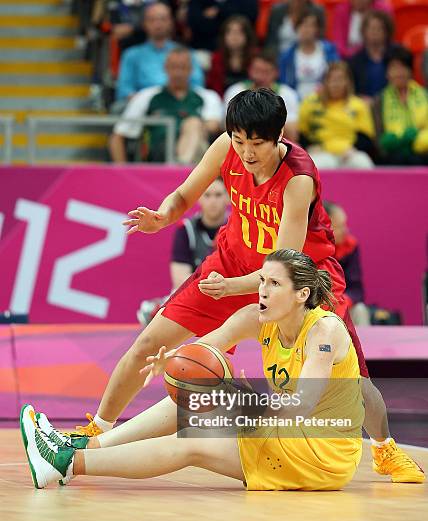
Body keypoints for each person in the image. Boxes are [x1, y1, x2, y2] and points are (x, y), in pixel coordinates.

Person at [70, 87, 422, 484]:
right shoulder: (226, 147)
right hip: (231, 263)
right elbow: (186, 194)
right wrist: (163, 216)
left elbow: (283, 266)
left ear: (278, 136)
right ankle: (95, 432)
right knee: (150, 344)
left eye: (257, 144)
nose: (247, 152)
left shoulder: (298, 179)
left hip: (301, 277)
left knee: (356, 378)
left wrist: (232, 288)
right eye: (240, 141)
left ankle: (385, 451)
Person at [21, 249, 368, 491]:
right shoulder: (255, 318)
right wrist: (172, 358)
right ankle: (85, 445)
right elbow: (205, 348)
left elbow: (303, 406)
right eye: (262, 280)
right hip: (285, 432)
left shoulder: (324, 331)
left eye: (274, 284)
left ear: (301, 294)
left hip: (323, 452)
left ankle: (64, 462)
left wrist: (248, 401)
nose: (261, 290)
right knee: (192, 397)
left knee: (193, 442)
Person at [137, 178, 229, 325]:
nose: (213, 201)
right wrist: (212, 286)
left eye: (218, 195)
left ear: (228, 198)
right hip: (197, 295)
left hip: (229, 291)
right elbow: (180, 279)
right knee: (164, 306)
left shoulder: (239, 227)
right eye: (207, 195)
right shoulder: (186, 230)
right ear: (199, 198)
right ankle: (159, 310)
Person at [110, 46, 223, 164]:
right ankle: (181, 172)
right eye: (173, 67)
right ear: (165, 68)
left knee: (193, 123)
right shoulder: (146, 96)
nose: (178, 73)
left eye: (183, 68)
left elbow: (213, 125)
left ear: (191, 70)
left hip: (197, 162)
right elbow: (117, 137)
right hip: (157, 160)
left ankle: (180, 168)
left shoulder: (208, 96)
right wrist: (123, 173)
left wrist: (190, 131)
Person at [115, 2, 204, 107]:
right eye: (152, 20)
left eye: (163, 19)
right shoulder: (131, 55)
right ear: (144, 24)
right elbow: (124, 91)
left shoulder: (186, 54)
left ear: (171, 22)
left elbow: (198, 86)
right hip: (144, 109)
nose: (158, 24)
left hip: (183, 106)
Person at [298, 61, 375, 169]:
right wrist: (310, 147)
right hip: (321, 153)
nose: (335, 84)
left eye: (340, 79)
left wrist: (353, 149)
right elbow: (302, 134)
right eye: (331, 79)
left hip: (350, 153)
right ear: (325, 82)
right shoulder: (310, 103)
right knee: (315, 165)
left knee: (364, 164)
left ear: (348, 82)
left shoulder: (358, 105)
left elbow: (365, 137)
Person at [224, 51, 300, 142]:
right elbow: (228, 129)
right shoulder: (235, 91)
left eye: (266, 72)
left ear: (276, 73)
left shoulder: (288, 94)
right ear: (250, 70)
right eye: (257, 71)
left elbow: (293, 134)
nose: (260, 76)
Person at [372, 46, 428, 165]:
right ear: (387, 73)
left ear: (410, 71)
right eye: (394, 68)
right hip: (393, 154)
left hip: (423, 150)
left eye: (403, 67)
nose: (399, 73)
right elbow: (379, 140)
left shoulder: (425, 95)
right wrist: (396, 143)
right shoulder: (379, 100)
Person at [324, 202, 371, 326]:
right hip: (316, 306)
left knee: (360, 310)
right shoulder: (311, 248)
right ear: (323, 226)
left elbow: (356, 289)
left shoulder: (350, 246)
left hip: (342, 303)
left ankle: (359, 345)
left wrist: (342, 302)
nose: (345, 230)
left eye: (344, 225)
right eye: (339, 226)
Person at [278, 9, 339, 101]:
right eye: (303, 25)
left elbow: (337, 76)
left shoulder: (329, 51)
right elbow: (284, 86)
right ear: (296, 28)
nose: (306, 29)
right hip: (296, 101)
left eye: (311, 25)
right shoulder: (286, 56)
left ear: (317, 29)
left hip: (325, 100)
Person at [347, 10, 398, 99]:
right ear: (364, 32)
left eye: (379, 28)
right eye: (371, 28)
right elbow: (352, 91)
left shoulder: (397, 55)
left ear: (387, 32)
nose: (374, 32)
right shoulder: (355, 61)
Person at [206, 15, 257, 97]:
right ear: (224, 36)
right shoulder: (216, 58)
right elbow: (214, 88)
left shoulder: (255, 57)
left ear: (247, 36)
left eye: (239, 33)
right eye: (230, 32)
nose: (234, 37)